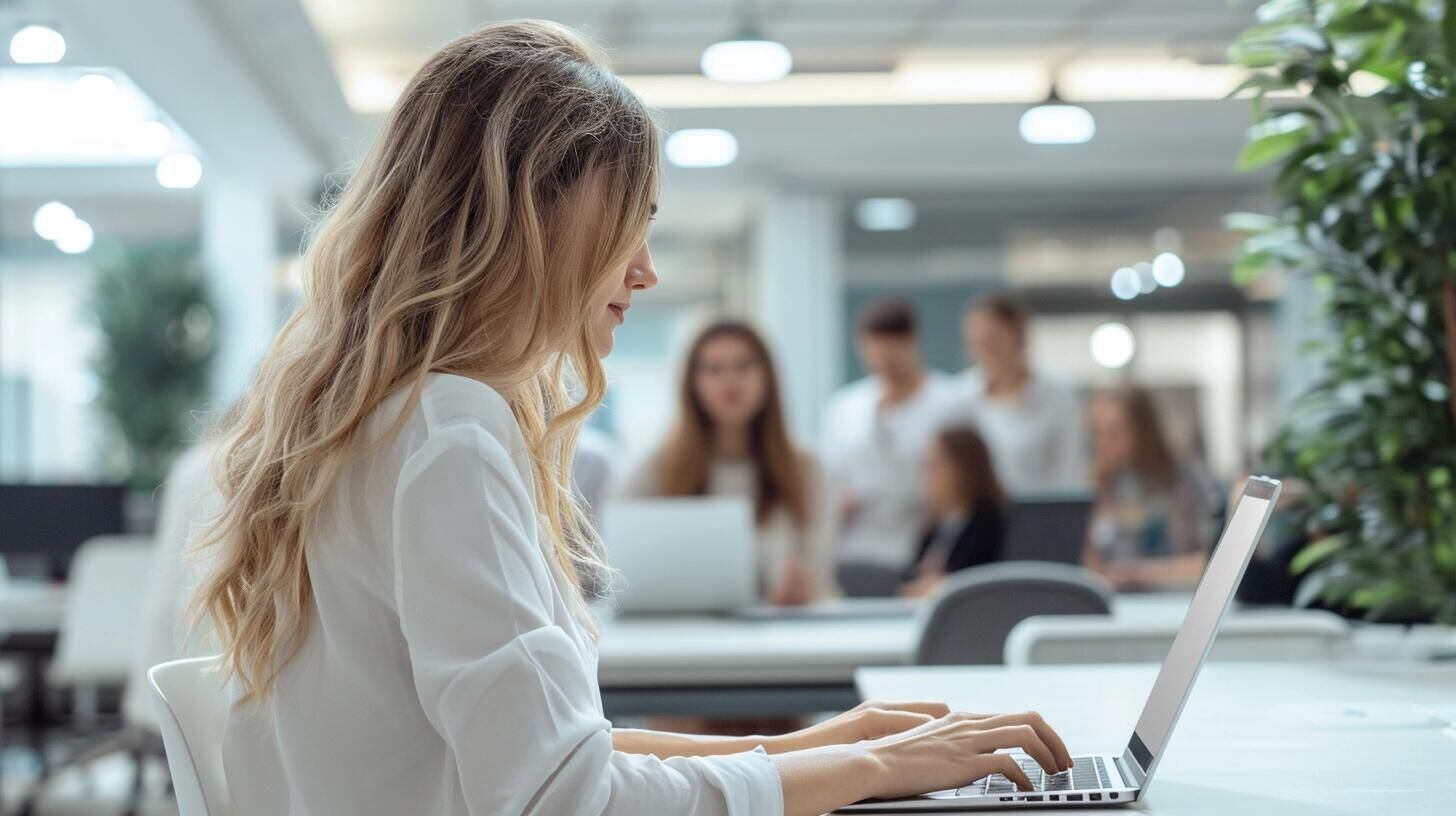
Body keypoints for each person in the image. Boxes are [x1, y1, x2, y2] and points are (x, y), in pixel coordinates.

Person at [190, 21, 1069, 816]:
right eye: (627, 226)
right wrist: (868, 773)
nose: (643, 270)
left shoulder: (386, 416)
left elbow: (551, 754)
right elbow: (567, 799)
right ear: (533, 216)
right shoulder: (446, 428)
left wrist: (811, 748)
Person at [615, 320, 836, 605]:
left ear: (767, 377)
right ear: (693, 382)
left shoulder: (806, 468)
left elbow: (820, 572)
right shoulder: (656, 466)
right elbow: (622, 563)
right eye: (713, 369)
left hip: (780, 630)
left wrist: (803, 589)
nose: (730, 381)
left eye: (744, 366)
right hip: (681, 632)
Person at [821, 298, 961, 572]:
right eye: (873, 349)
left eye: (892, 349)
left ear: (913, 341)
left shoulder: (950, 402)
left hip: (923, 546)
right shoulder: (845, 407)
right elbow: (831, 479)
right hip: (855, 552)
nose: (882, 360)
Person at [1082, 385, 1221, 592]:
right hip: (1117, 603)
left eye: (1114, 431)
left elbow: (1217, 558)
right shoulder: (1097, 483)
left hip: (1179, 597)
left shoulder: (1183, 476)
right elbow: (1088, 567)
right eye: (1098, 433)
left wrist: (1144, 573)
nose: (1104, 443)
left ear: (1143, 428)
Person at [955, 295, 1087, 496]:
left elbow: (1068, 471)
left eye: (993, 339)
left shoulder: (1058, 396)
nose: (986, 349)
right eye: (978, 341)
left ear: (1018, 335)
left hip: (1040, 516)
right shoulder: (960, 397)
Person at [902, 426, 1009, 598]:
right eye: (926, 465)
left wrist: (944, 585)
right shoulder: (933, 527)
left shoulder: (990, 524)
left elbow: (983, 578)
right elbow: (908, 579)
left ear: (964, 468)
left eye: (936, 464)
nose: (928, 474)